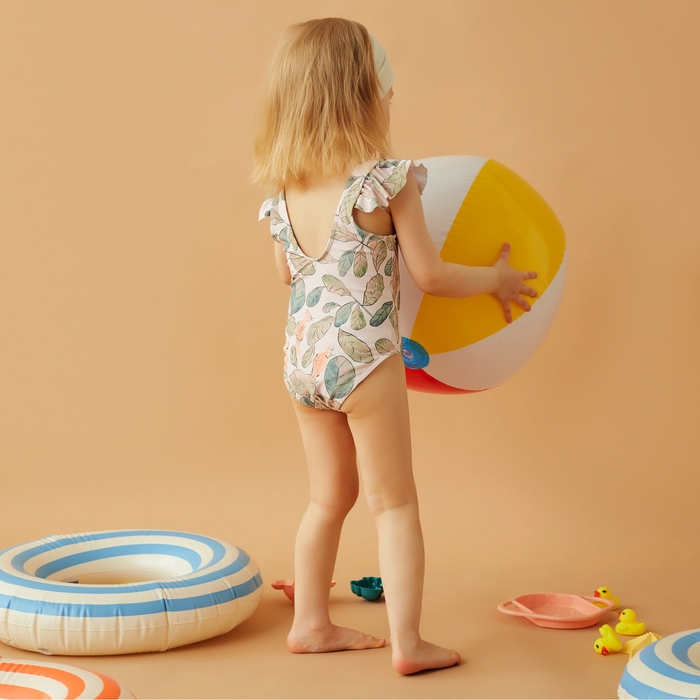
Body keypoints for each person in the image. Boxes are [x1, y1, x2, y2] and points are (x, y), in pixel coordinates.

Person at [251, 17, 538, 675]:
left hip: (304, 363)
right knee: (394, 502)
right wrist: (495, 281)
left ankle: (310, 624)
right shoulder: (384, 181)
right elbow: (429, 275)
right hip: (364, 360)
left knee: (327, 499)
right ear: (364, 96)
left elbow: (286, 274)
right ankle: (408, 644)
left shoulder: (282, 192)